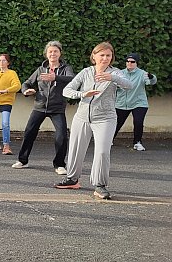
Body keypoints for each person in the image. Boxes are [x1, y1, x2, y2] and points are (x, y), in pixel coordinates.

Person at [55, 42, 132, 200]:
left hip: (106, 118)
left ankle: (100, 185)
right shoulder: (86, 72)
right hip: (82, 117)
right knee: (76, 148)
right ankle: (72, 179)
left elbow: (129, 85)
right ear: (94, 56)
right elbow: (66, 90)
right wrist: (83, 94)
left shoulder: (116, 73)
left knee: (103, 151)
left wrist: (112, 77)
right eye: (101, 55)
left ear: (112, 58)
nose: (105, 58)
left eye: (108, 55)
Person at [12, 41, 74, 174]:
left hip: (57, 108)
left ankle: (59, 165)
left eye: (55, 51)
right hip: (39, 106)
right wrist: (26, 91)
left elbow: (72, 79)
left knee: (61, 136)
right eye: (50, 51)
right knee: (29, 132)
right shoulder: (40, 69)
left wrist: (55, 77)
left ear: (60, 53)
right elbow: (27, 83)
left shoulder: (65, 68)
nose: (53, 54)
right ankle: (23, 161)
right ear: (46, 54)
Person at [114, 53, 157, 151]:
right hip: (122, 103)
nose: (129, 63)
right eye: (128, 61)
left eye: (132, 62)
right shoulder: (120, 73)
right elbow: (113, 84)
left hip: (139, 103)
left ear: (136, 63)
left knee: (138, 122)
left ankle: (137, 142)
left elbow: (150, 82)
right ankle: (109, 140)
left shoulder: (142, 73)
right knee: (116, 122)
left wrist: (151, 77)